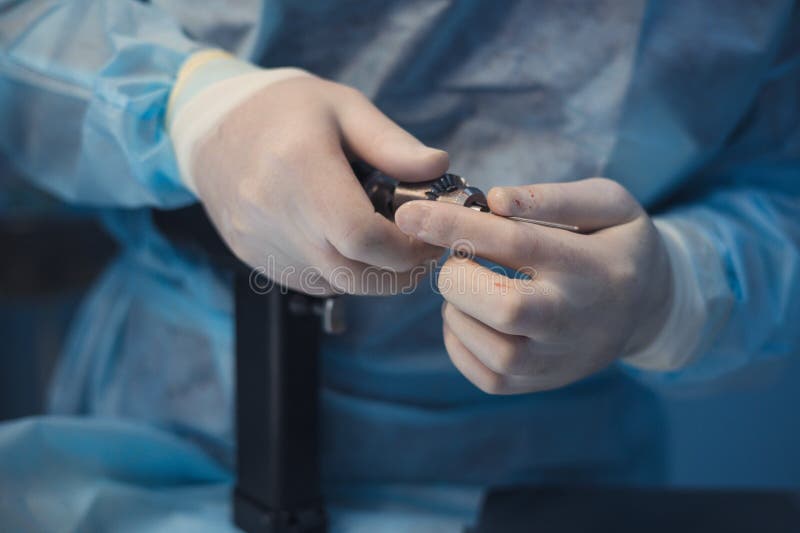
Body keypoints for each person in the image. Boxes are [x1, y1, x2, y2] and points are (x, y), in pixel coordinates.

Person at [1, 1, 798, 531]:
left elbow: (783, 196)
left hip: (536, 475)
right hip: (158, 430)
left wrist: (673, 290)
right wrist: (193, 106)